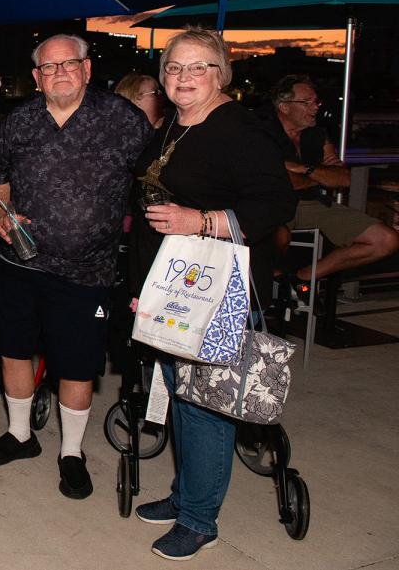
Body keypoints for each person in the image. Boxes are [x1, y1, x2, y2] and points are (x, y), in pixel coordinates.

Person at [128, 29, 295, 560]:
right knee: (182, 394)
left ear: (221, 73)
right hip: (177, 284)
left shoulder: (240, 129)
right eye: (174, 67)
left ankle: (199, 520)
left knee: (205, 403)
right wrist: (143, 289)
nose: (184, 77)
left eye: (198, 67)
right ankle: (186, 497)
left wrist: (200, 220)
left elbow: (276, 204)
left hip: (221, 288)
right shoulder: (174, 125)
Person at [0, 33, 152, 501]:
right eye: (49, 67)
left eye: (69, 64)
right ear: (36, 77)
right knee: (14, 349)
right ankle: (20, 435)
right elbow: (0, 182)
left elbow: (155, 181)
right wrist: (3, 215)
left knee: (76, 362)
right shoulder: (19, 121)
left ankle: (71, 452)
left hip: (86, 271)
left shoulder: (122, 119)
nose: (59, 73)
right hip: (20, 262)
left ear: (87, 69)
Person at [267, 74, 399, 288]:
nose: (315, 107)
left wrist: (305, 169)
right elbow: (283, 182)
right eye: (306, 102)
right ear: (284, 107)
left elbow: (344, 179)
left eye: (316, 101)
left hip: (313, 203)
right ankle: (270, 284)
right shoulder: (261, 133)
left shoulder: (318, 135)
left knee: (386, 240)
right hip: (274, 202)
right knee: (276, 235)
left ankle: (302, 278)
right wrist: (321, 176)